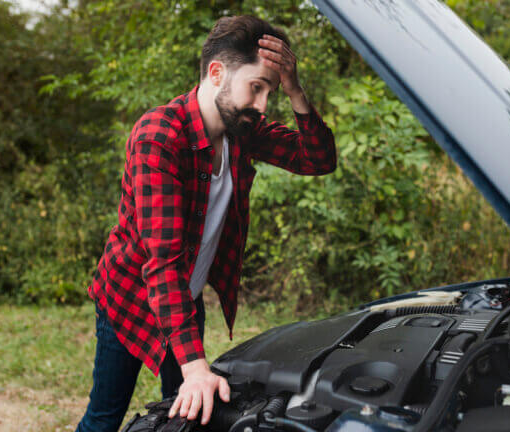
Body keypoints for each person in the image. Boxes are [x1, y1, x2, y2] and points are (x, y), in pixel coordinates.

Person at [76, 14, 337, 432]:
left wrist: (295, 89)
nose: (263, 104)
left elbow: (318, 159)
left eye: (270, 91)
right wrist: (195, 368)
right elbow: (162, 262)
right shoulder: (158, 136)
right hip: (131, 298)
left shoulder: (242, 129)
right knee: (105, 419)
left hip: (184, 298)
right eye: (257, 87)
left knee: (184, 419)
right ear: (217, 73)